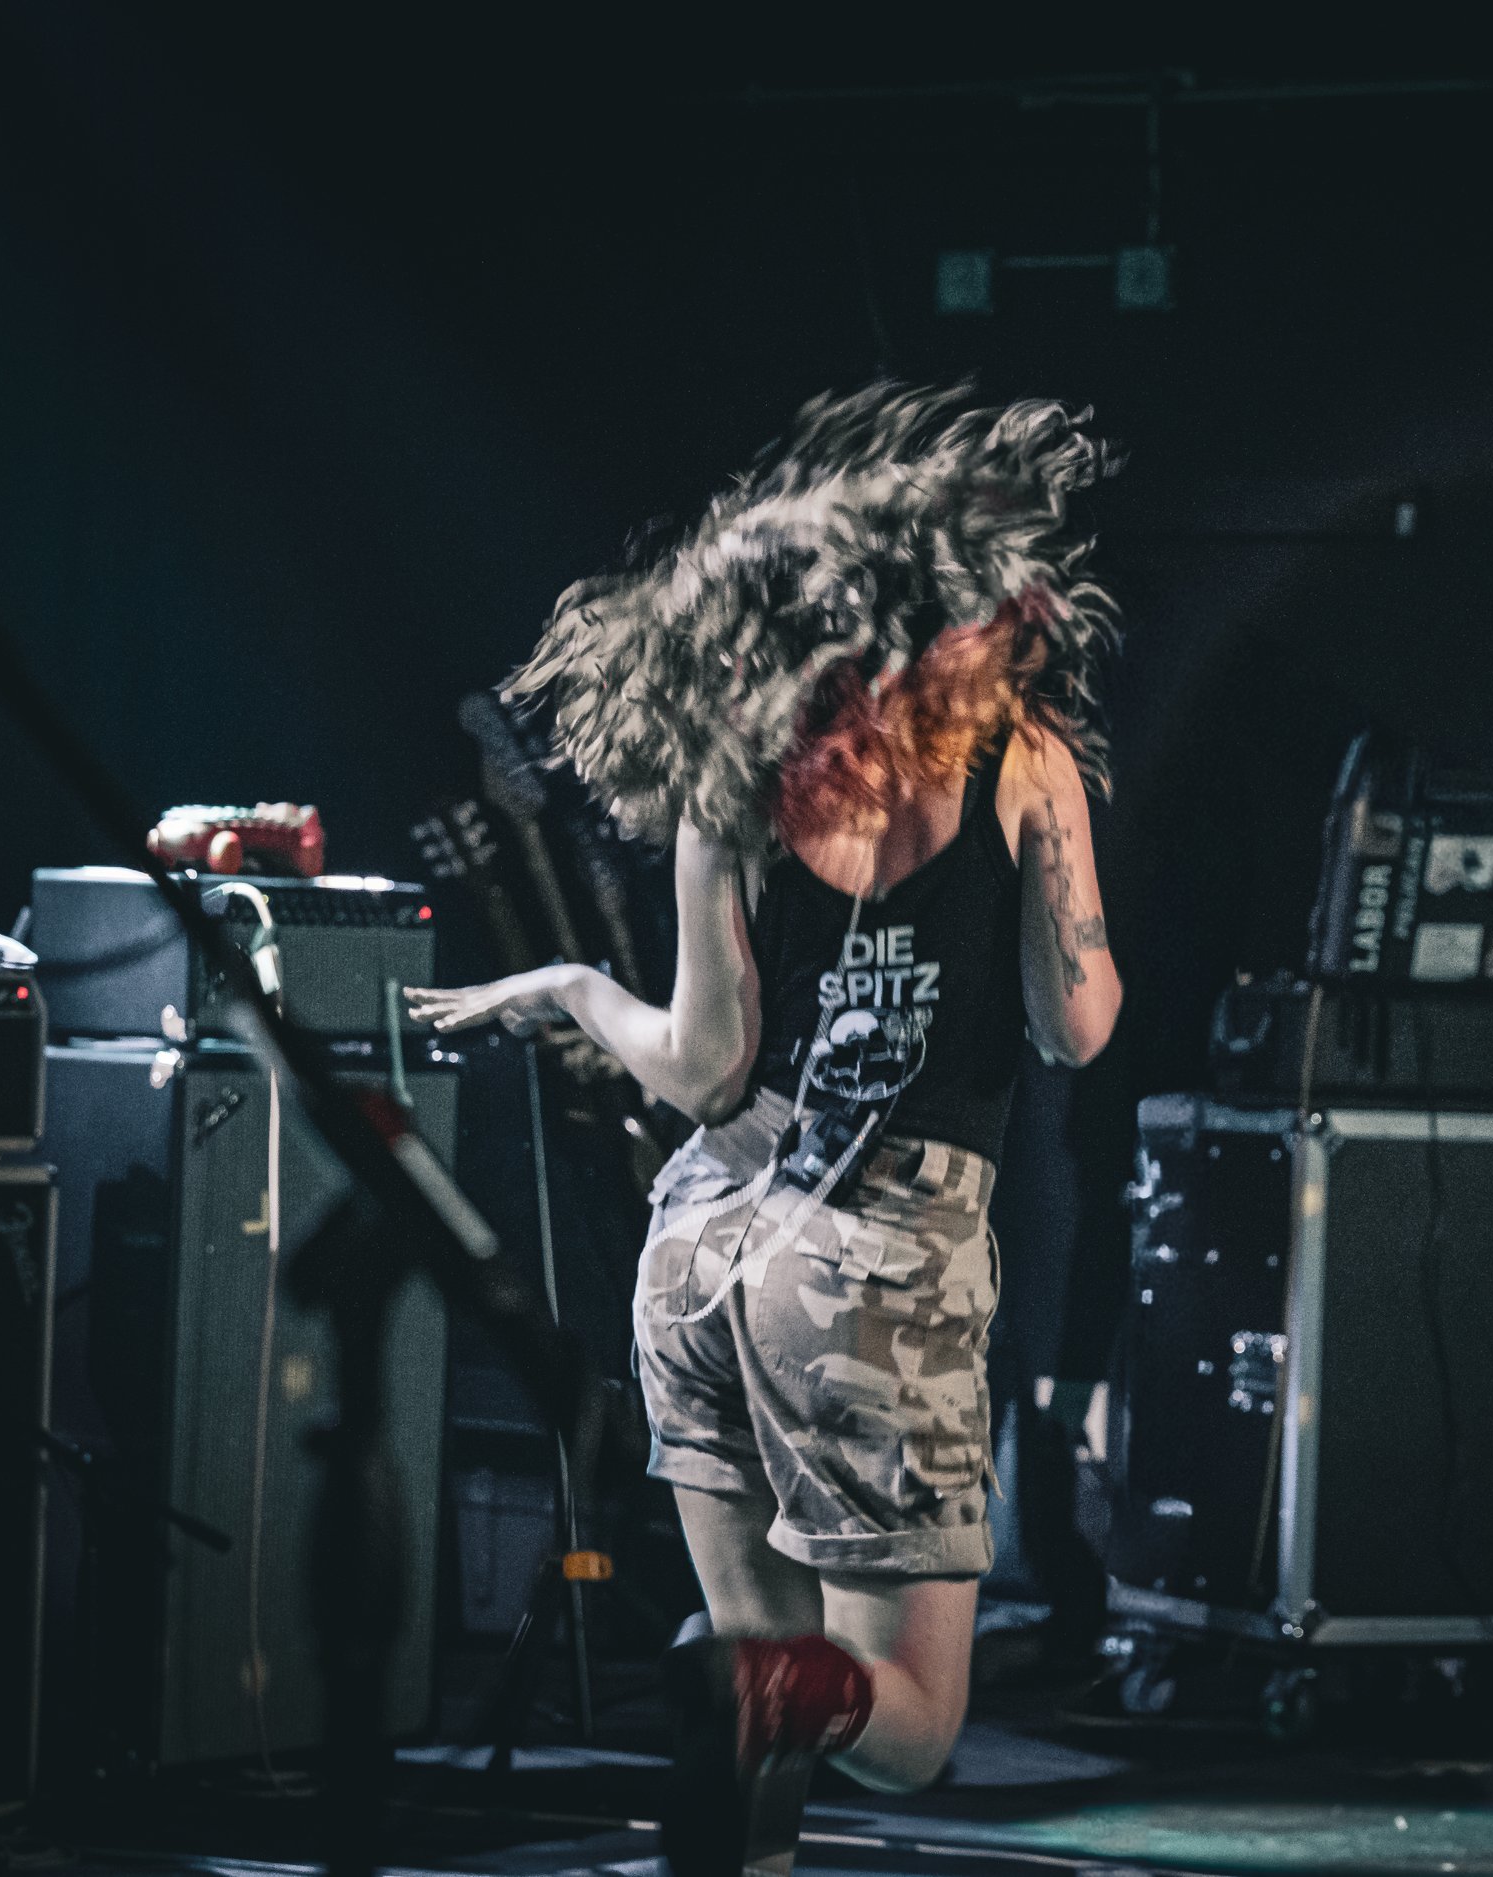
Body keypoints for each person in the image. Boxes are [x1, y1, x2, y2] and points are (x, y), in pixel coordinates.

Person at [407, 384, 1122, 1876]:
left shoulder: (730, 783)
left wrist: (570, 987)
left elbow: (705, 1069)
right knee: (907, 1726)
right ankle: (746, 1692)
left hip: (704, 1249)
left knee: (765, 1687)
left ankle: (737, 1740)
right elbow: (1076, 1029)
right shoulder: (1022, 756)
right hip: (875, 1260)